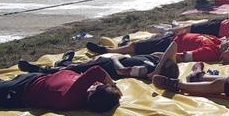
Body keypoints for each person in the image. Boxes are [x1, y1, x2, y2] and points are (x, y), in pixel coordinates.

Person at [19, 41, 180, 81]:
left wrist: (116, 60)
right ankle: (65, 62)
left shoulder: (148, 71)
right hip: (111, 62)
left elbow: (122, 71)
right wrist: (160, 65)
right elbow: (173, 47)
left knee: (76, 71)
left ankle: (41, 70)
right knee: (79, 67)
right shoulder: (155, 63)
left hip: (109, 67)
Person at [87, 29, 229, 64]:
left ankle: (108, 50)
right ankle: (122, 47)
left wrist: (163, 56)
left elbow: (183, 57)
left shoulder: (210, 52)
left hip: (168, 45)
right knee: (142, 43)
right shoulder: (219, 44)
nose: (227, 39)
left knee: (138, 46)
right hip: (173, 37)